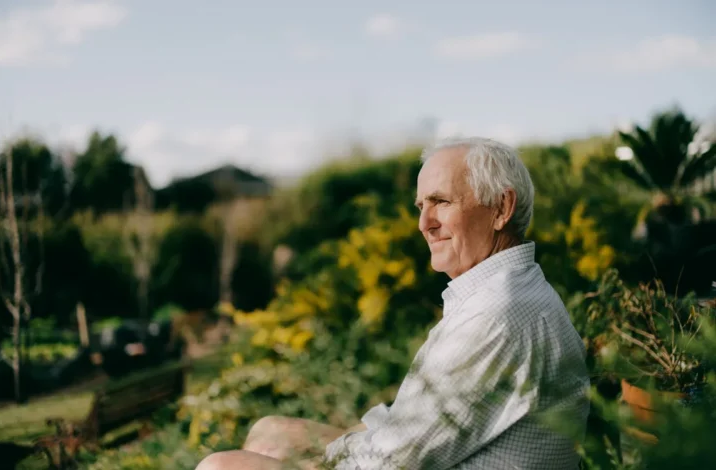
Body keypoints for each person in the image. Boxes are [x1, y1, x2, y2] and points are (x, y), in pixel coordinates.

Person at [196, 137, 590, 470]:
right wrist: (329, 444)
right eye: (421, 206)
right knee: (270, 431)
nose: (424, 223)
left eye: (441, 202)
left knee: (219, 467)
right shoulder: (508, 290)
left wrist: (315, 459)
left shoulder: (498, 313)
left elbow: (394, 463)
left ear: (502, 208)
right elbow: (414, 430)